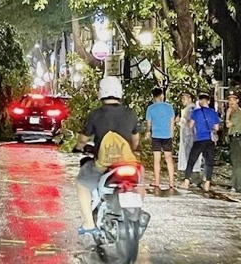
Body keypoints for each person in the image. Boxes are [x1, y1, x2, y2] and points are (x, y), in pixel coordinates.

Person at [75, 76, 139, 236]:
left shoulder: (95, 114)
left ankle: (89, 224)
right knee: (139, 183)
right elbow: (136, 139)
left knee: (82, 184)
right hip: (128, 162)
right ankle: (138, 213)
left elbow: (83, 138)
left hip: (104, 163)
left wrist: (78, 146)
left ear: (101, 93)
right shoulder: (130, 114)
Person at [180, 93, 220, 192]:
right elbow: (216, 128)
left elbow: (190, 125)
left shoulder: (196, 112)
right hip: (209, 141)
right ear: (209, 101)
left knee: (191, 160)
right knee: (209, 162)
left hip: (199, 140)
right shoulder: (213, 113)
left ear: (200, 101)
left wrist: (185, 121)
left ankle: (186, 182)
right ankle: (207, 183)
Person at [145, 86, 176, 191]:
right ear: (162, 95)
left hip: (156, 136)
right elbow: (172, 121)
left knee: (156, 160)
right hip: (167, 135)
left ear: (154, 97)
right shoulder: (169, 107)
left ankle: (157, 182)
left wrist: (148, 132)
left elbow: (149, 124)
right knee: (169, 159)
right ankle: (171, 182)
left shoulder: (150, 108)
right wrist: (171, 133)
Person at [225, 91, 241, 194]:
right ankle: (235, 185)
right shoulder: (234, 112)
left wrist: (227, 115)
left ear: (237, 101)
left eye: (233, 100)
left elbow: (228, 125)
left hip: (238, 139)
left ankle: (239, 186)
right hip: (233, 139)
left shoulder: (239, 112)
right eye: (229, 100)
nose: (231, 102)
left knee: (239, 163)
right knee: (235, 163)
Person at [177, 92, 202, 180]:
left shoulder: (191, 109)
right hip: (188, 136)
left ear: (190, 99)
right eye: (182, 98)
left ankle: (191, 177)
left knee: (190, 156)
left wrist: (180, 120)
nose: (182, 100)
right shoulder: (189, 108)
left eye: (184, 98)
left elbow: (190, 123)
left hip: (190, 136)